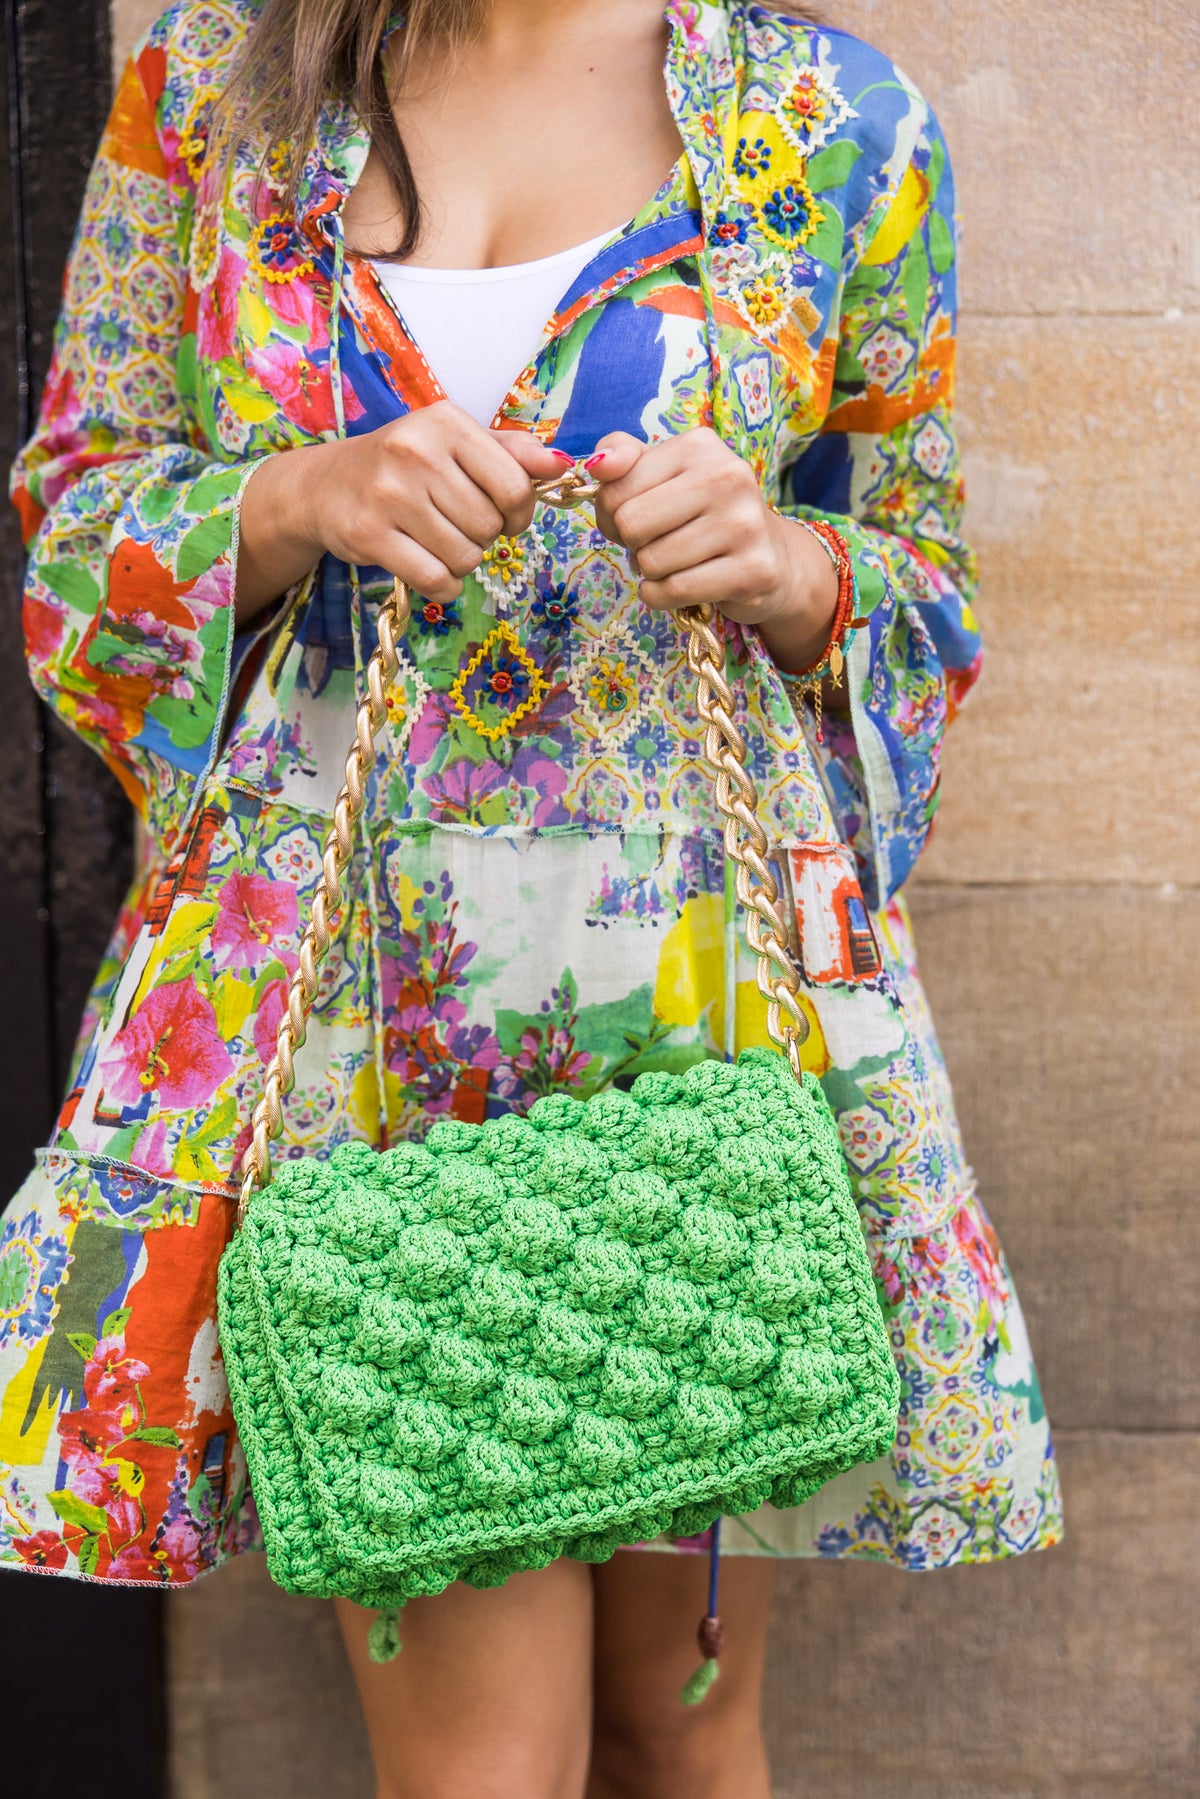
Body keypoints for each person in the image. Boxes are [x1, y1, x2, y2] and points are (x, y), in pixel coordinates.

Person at [1, 2, 1062, 1794]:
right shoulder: (215, 85)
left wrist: (792, 565)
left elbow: (923, 580)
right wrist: (293, 497)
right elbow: (70, 516)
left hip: (710, 1023)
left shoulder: (829, 121)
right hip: (353, 1017)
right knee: (484, 1768)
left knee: (685, 1729)